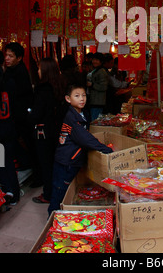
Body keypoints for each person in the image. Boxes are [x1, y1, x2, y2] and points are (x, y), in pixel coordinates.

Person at [48, 83, 113, 216]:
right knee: (59, 192)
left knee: (63, 190)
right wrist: (106, 150)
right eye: (77, 96)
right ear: (68, 99)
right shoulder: (73, 118)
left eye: (83, 95)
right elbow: (86, 139)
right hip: (66, 161)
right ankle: (52, 219)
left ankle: (58, 216)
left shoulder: (80, 113)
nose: (81, 99)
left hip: (70, 159)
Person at [28, 58, 64, 204]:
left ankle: (48, 194)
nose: (37, 71)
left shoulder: (42, 90)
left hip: (43, 131)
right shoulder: (60, 86)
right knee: (55, 162)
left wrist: (29, 115)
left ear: (45, 70)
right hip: (56, 129)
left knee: (46, 163)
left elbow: (36, 113)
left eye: (40, 68)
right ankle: (58, 190)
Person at [2, 42, 35, 178]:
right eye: (6, 55)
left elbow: (17, 95)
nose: (7, 58)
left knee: (21, 140)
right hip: (15, 114)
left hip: (19, 114)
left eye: (11, 56)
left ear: (19, 58)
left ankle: (27, 164)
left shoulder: (19, 72)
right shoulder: (11, 70)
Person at [0, 51, 20, 206]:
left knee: (2, 162)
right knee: (7, 161)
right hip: (8, 126)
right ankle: (12, 192)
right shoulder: (10, 81)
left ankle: (7, 192)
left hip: (1, 129)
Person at [88, 53, 113, 120]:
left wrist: (92, 85)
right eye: (93, 59)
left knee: (95, 121)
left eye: (97, 60)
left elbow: (104, 87)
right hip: (95, 101)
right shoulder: (96, 70)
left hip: (98, 101)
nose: (94, 61)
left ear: (101, 62)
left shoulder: (101, 72)